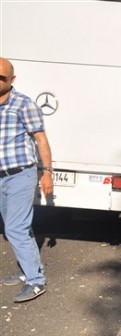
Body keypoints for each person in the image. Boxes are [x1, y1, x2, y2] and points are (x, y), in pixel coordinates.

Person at [0, 57, 53, 303]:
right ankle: (27, 270)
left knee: (15, 227)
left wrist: (47, 172)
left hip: (20, 175)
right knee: (17, 226)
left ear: (12, 79)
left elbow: (40, 139)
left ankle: (36, 282)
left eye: (1, 77)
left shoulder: (23, 104)